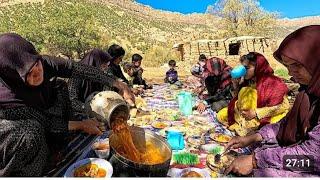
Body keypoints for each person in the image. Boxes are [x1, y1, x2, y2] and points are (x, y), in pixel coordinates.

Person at [0, 33, 134, 176]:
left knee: (59, 85)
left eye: (36, 64)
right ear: (14, 76)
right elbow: (46, 122)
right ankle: (28, 170)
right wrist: (81, 124)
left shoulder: (43, 63)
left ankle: (58, 141)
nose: (37, 73)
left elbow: (80, 69)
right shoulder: (7, 96)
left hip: (41, 114)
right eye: (29, 74)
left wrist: (119, 85)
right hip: (13, 129)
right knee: (31, 134)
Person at [224, 25, 320, 177]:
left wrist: (256, 160)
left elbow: (313, 158)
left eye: (296, 65)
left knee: (266, 172)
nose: (290, 73)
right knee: (259, 146)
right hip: (305, 153)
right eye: (287, 66)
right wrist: (254, 136)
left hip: (313, 162)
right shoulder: (307, 93)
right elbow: (285, 123)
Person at [217, 52, 290, 136]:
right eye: (243, 68)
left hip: (263, 116)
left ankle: (246, 129)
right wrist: (235, 85)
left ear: (258, 67)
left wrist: (256, 113)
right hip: (245, 115)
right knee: (221, 115)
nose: (244, 71)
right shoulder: (249, 81)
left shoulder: (273, 82)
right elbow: (238, 100)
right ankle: (242, 125)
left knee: (273, 125)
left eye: (247, 68)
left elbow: (284, 106)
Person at [68, 48, 115, 117]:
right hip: (78, 115)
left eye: (107, 65)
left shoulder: (101, 76)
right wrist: (88, 108)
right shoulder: (76, 76)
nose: (106, 68)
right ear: (95, 63)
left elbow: (105, 93)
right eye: (104, 65)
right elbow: (72, 101)